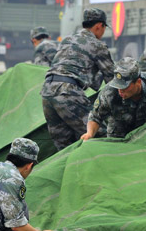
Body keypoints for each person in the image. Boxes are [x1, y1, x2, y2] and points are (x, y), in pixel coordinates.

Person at [41, 8, 115, 150]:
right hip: (68, 92)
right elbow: (113, 80)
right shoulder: (97, 45)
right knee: (100, 137)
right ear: (99, 25)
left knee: (65, 147)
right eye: (104, 27)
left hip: (47, 92)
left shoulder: (67, 40)